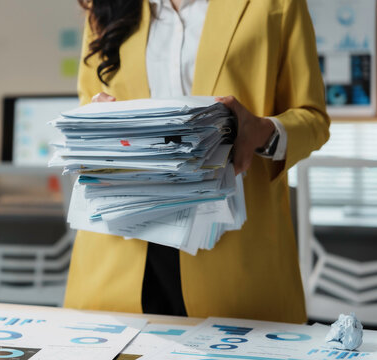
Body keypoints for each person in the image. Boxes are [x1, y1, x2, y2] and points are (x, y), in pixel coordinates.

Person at [63, 0, 330, 323]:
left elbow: (313, 119)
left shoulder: (276, 5)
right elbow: (86, 102)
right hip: (119, 248)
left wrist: (262, 130)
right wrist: (98, 118)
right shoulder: (105, 7)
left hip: (234, 255)